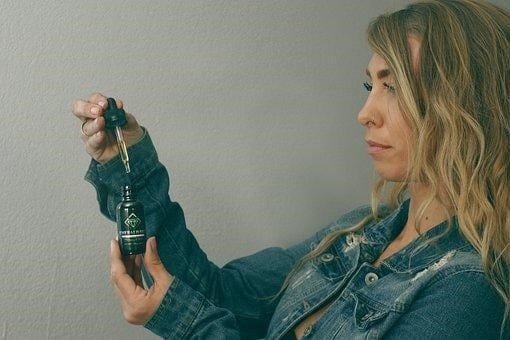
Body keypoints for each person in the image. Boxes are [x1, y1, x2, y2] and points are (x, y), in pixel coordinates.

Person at [72, 0, 510, 338]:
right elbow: (223, 294)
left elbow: (199, 312)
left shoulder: (470, 291)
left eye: (393, 87)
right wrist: (126, 158)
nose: (365, 112)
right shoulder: (361, 231)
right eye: (370, 84)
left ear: (464, 106)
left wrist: (185, 324)